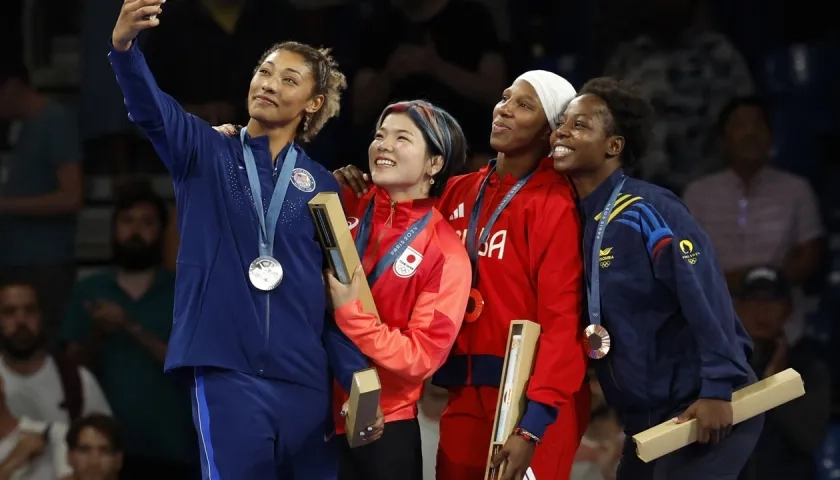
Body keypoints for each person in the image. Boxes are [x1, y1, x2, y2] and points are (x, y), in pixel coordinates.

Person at [108, 1, 382, 479]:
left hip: (306, 380)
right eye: (264, 71)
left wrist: (356, 374)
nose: (269, 84)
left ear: (314, 103)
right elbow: (151, 110)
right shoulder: (205, 151)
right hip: (226, 372)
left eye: (289, 79)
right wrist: (125, 48)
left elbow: (340, 286)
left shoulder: (322, 186)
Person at [333, 70, 590, 480]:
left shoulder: (555, 205)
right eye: (505, 97)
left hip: (527, 401)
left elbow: (563, 325)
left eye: (524, 105)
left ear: (550, 129)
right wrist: (353, 186)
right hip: (463, 396)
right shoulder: (460, 190)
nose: (504, 108)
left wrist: (533, 424)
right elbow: (399, 214)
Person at [550, 76, 763, 479]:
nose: (562, 131)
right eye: (561, 123)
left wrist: (719, 388)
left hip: (701, 405)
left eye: (579, 125)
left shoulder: (648, 210)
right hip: (645, 421)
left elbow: (706, 297)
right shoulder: (571, 221)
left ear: (614, 145)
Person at [325, 100, 471, 479]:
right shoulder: (345, 201)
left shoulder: (444, 252)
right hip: (310, 413)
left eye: (402, 138)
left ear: (434, 164)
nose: (383, 145)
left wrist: (351, 315)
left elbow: (421, 356)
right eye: (379, 135)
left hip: (383, 427)